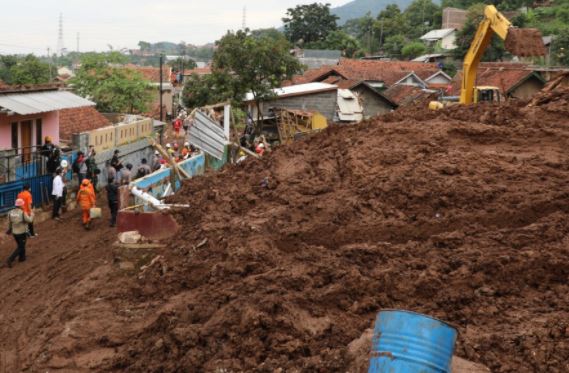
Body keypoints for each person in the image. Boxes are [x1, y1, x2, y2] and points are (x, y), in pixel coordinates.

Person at [5, 199, 33, 268]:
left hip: (15, 233)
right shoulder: (22, 213)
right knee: (21, 246)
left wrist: (9, 230)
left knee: (20, 245)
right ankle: (10, 259)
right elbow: (29, 220)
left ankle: (22, 258)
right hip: (22, 232)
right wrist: (32, 214)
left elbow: (9, 223)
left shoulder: (10, 212)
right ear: (21, 205)